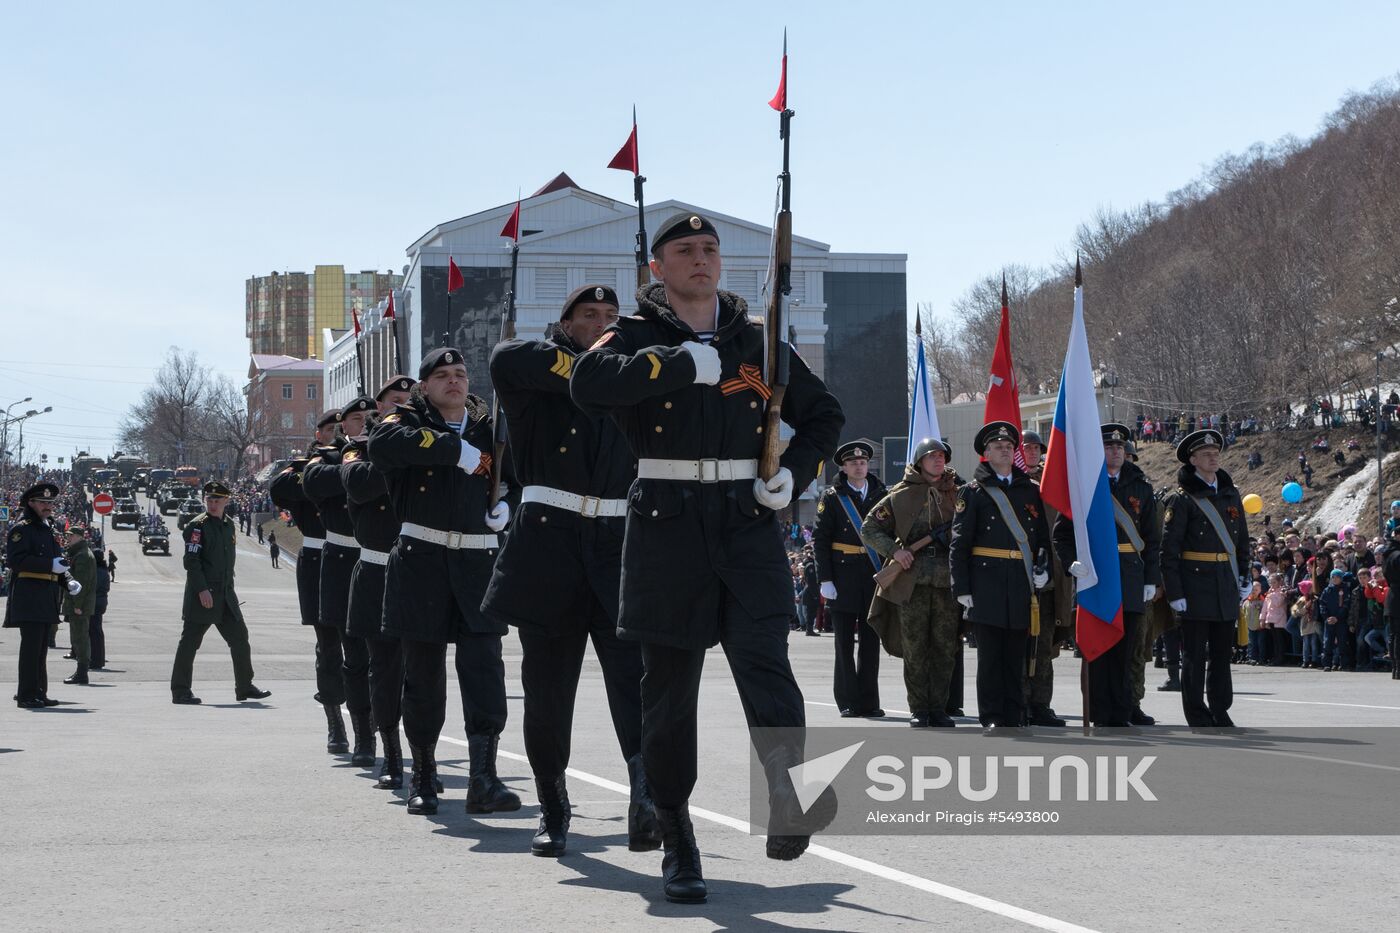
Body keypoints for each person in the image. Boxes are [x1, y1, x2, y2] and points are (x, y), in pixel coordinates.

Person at [570, 211, 844, 904]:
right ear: (658, 267)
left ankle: (786, 794)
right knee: (667, 694)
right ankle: (677, 833)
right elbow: (588, 384)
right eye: (685, 250)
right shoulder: (632, 335)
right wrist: (670, 363)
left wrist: (796, 473)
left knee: (768, 665)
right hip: (666, 522)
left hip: (747, 520)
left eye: (711, 249)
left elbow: (823, 413)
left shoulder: (757, 340)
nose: (701, 259)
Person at [483, 284, 659, 857]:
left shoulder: (632, 375)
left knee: (635, 683)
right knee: (548, 692)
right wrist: (612, 371)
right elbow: (505, 359)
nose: (602, 322)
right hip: (550, 543)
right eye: (590, 315)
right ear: (564, 323)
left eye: (612, 316)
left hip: (618, 544)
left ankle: (644, 794)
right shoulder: (533, 364)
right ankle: (553, 805)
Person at [366, 348, 517, 819]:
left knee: (485, 674)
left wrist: (508, 504)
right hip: (422, 561)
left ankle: (483, 778)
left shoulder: (491, 427)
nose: (455, 381)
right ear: (424, 386)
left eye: (460, 374)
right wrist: (454, 450)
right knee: (423, 678)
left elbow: (518, 474)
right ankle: (425, 775)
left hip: (477, 561)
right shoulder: (401, 423)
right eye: (443, 376)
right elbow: (382, 449)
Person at [1053, 423, 1161, 727]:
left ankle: (1122, 711)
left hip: (1129, 576)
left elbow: (1152, 539)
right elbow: (1061, 536)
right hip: (1096, 577)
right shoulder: (1085, 485)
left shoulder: (1140, 486)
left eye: (1119, 448)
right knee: (1098, 648)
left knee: (1127, 651)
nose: (1115, 452)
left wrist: (1151, 579)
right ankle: (1100, 713)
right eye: (1108, 447)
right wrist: (1070, 563)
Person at [950, 422, 1050, 732]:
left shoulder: (1030, 490)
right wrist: (962, 588)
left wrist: (1042, 569)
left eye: (1009, 446)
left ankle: (1014, 713)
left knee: (1016, 654)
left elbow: (1041, 538)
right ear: (986, 453)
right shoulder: (972, 492)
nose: (1005, 449)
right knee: (991, 656)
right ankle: (992, 715)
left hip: (1020, 581)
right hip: (987, 583)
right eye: (997, 446)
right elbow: (960, 543)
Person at [343, 375, 416, 791]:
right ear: (378, 407)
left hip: (419, 567)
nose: (403, 405)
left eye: (410, 399)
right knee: (383, 668)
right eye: (395, 400)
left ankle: (423, 758)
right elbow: (360, 483)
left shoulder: (427, 440)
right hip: (375, 568)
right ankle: (389, 753)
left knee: (422, 672)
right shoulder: (359, 448)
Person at [862, 437, 959, 726]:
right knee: (915, 648)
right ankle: (919, 708)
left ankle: (939, 708)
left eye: (942, 456)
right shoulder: (899, 495)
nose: (938, 460)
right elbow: (869, 528)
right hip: (911, 582)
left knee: (945, 647)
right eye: (932, 456)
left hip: (946, 581)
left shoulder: (957, 492)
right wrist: (895, 551)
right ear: (919, 461)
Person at [303, 396, 377, 768]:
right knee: (335, 653)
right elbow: (311, 482)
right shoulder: (329, 458)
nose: (364, 423)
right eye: (356, 419)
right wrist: (356, 465)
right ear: (343, 427)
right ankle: (337, 720)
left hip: (378, 559)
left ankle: (370, 729)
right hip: (340, 562)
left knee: (373, 655)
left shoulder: (385, 451)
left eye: (369, 417)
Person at [1160, 429, 1250, 727]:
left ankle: (1220, 708)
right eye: (1206, 454)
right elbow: (1169, 550)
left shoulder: (1230, 492)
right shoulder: (1181, 499)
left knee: (1223, 654)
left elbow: (1242, 541)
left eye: (1216, 453)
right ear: (1193, 459)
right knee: (1196, 655)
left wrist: (1244, 574)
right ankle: (1197, 713)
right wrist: (1175, 592)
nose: (1214, 458)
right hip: (1195, 586)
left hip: (1224, 582)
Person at [269, 411, 339, 749]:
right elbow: (278, 489)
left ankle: (366, 719)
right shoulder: (302, 467)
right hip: (318, 558)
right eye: (331, 429)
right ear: (318, 434)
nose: (338, 434)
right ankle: (334, 720)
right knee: (329, 646)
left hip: (359, 558)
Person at [169, 482, 271, 705]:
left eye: (217, 500)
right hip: (203, 595)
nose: (213, 504)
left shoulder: (228, 525)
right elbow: (191, 562)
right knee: (190, 643)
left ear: (226, 501)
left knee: (240, 639)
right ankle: (180, 690)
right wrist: (203, 590)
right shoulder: (197, 527)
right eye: (209, 500)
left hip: (225, 595)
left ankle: (244, 686)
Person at [813, 440, 887, 719]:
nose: (859, 466)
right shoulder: (833, 497)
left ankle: (869, 700)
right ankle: (847, 700)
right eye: (853, 462)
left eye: (863, 462)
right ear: (843, 467)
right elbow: (821, 541)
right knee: (843, 642)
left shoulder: (881, 494)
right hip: (842, 575)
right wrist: (825, 579)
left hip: (872, 573)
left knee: (871, 641)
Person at [5, 482, 75, 708]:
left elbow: (58, 564)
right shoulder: (21, 529)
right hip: (29, 595)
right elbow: (17, 561)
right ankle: (26, 695)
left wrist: (68, 581)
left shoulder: (47, 529)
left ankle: (39, 692)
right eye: (43, 502)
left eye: (50, 503)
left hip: (46, 595)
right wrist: (49, 565)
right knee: (31, 648)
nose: (48, 506)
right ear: (30, 503)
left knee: (41, 649)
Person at [1019, 430, 1068, 727]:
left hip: (1049, 578)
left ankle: (1041, 704)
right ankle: (1020, 702)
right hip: (1018, 579)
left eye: (1037, 448)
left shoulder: (1052, 485)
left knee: (1045, 645)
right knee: (1022, 646)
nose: (1033, 452)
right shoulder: (1015, 486)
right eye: (1027, 447)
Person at [60, 525, 98, 685]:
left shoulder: (83, 556)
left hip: (80, 605)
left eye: (71, 536)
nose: (68, 538)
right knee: (78, 637)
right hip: (79, 603)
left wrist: (77, 605)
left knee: (80, 638)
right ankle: (81, 672)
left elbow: (81, 583)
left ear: (80, 537)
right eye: (68, 535)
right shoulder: (79, 553)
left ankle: (82, 673)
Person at [89, 544, 111, 671]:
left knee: (94, 632)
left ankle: (96, 659)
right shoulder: (103, 570)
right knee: (97, 631)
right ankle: (98, 658)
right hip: (101, 602)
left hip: (95, 602)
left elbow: (93, 587)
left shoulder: (96, 570)